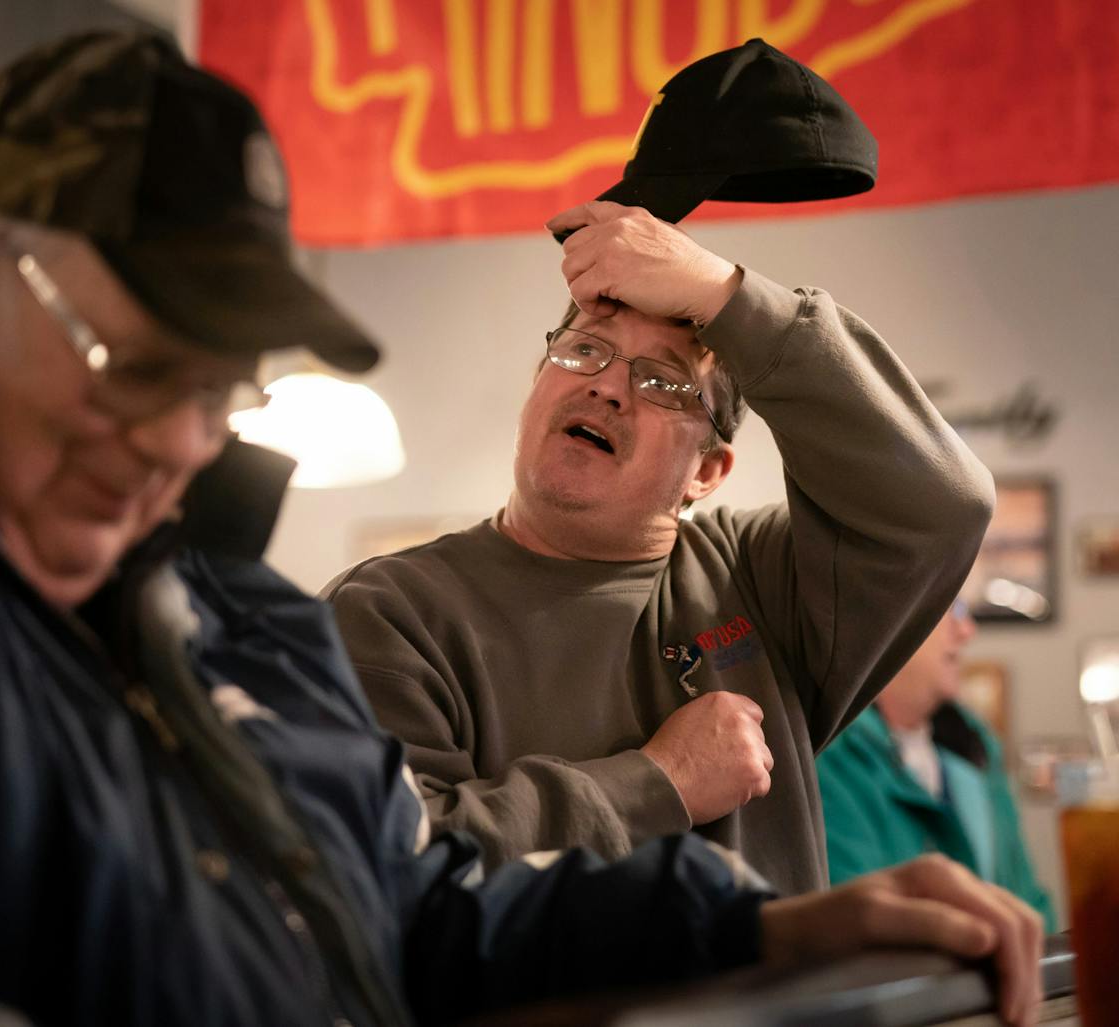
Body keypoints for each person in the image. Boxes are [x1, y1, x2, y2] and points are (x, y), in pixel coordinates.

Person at [0, 29, 1042, 1027]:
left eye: (218, 385)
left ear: (710, 470)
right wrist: (656, 792)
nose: (185, 439)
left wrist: (757, 928)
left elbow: (408, 901)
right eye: (140, 358)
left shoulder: (216, 599)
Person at [325, 196, 996, 896]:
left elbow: (942, 504)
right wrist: (656, 784)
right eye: (585, 348)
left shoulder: (761, 580)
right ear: (538, 382)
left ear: (707, 473)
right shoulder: (387, 613)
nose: (609, 385)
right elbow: (370, 872)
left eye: (664, 381)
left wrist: (721, 290)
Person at [818, 599, 1056, 929]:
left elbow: (1028, 900)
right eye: (951, 608)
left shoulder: (976, 744)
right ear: (886, 621)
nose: (967, 630)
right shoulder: (828, 757)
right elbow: (851, 930)